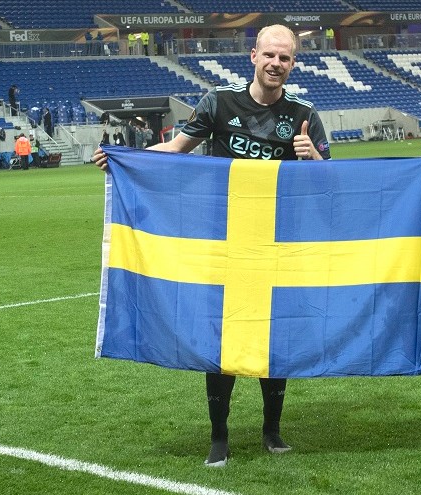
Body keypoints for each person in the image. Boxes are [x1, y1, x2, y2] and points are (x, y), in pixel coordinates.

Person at [92, 24, 331, 468]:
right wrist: (125, 158)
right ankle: (219, 436)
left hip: (279, 242)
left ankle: (272, 430)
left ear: (294, 64)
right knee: (221, 336)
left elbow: (328, 184)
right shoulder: (219, 102)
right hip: (224, 239)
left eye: (286, 57)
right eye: (270, 55)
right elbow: (178, 148)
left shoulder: (304, 114)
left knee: (271, 333)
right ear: (253, 56)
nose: (277, 63)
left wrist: (311, 157)